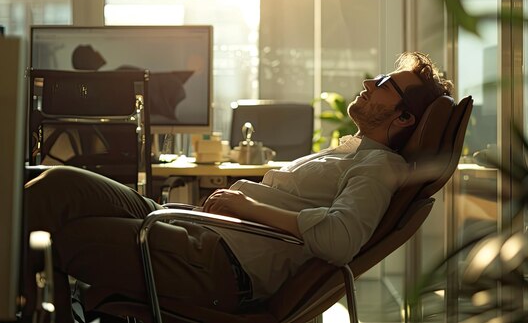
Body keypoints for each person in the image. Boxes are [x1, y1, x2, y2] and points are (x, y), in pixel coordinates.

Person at [21, 51, 453, 322]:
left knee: (58, 236)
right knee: (59, 185)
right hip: (193, 231)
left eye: (385, 84)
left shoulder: (377, 167)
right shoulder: (351, 153)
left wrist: (247, 205)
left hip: (213, 265)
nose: (368, 82)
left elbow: (340, 240)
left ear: (403, 119)